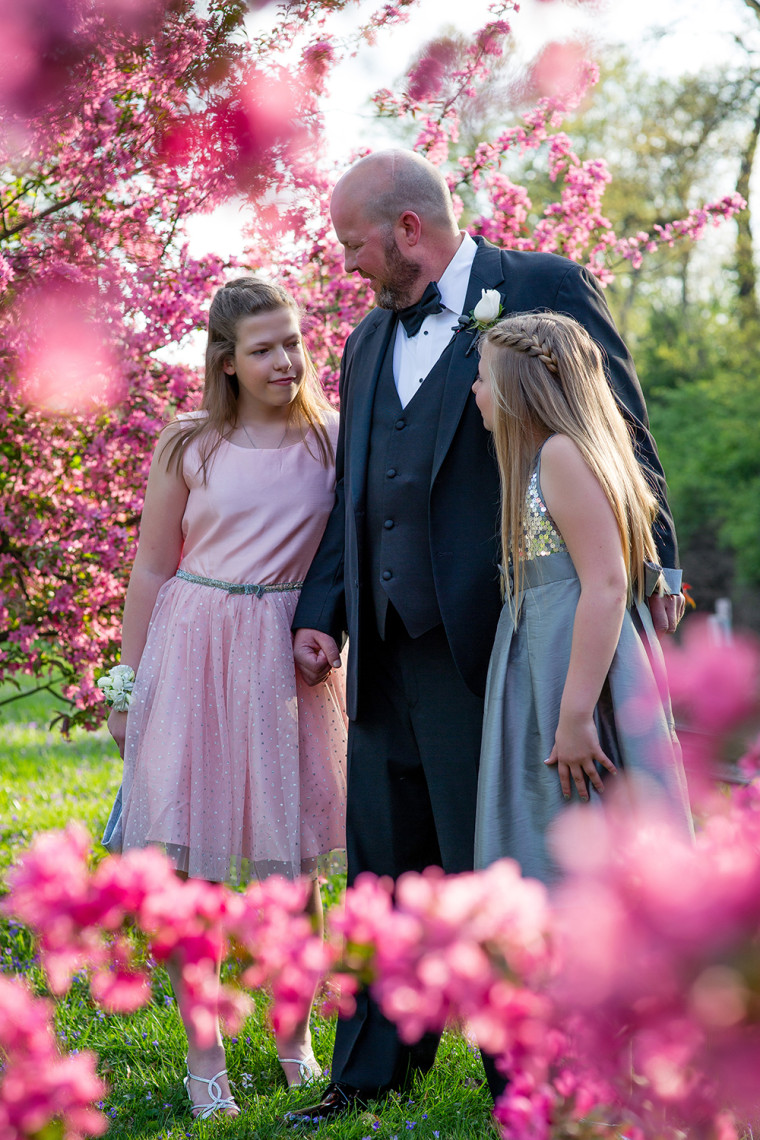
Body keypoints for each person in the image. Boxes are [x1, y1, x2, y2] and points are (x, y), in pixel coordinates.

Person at [287, 148, 685, 1122]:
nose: (347, 266)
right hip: (385, 647)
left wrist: (656, 566)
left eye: (353, 244)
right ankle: (372, 1070)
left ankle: (525, 1072)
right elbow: (358, 494)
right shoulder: (365, 343)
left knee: (499, 864)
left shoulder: (539, 289)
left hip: (497, 642)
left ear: (406, 230)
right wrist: (320, 612)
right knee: (383, 869)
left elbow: (615, 431)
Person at [102, 277, 347, 1120]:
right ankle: (205, 1061)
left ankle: (296, 1041)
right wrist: (127, 689)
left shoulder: (333, 441)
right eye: (264, 349)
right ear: (227, 363)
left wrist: (327, 632)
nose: (286, 360)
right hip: (195, 650)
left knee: (297, 868)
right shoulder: (190, 445)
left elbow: (343, 561)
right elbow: (150, 568)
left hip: (285, 662)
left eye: (293, 343)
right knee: (193, 868)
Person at [471, 312, 692, 883]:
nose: (475, 391)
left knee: (577, 829)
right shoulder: (548, 459)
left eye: (482, 376)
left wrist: (573, 718)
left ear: (518, 389)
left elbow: (607, 583)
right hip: (549, 661)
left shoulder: (561, 457)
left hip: (572, 675)